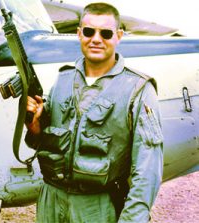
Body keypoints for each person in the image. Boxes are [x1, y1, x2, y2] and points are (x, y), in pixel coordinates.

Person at [25, 2, 163, 222]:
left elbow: (147, 172)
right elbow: (42, 142)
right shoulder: (63, 79)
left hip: (97, 206)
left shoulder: (138, 89)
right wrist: (34, 126)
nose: (96, 39)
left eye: (106, 33)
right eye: (89, 31)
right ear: (79, 34)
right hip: (51, 199)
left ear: (119, 36)